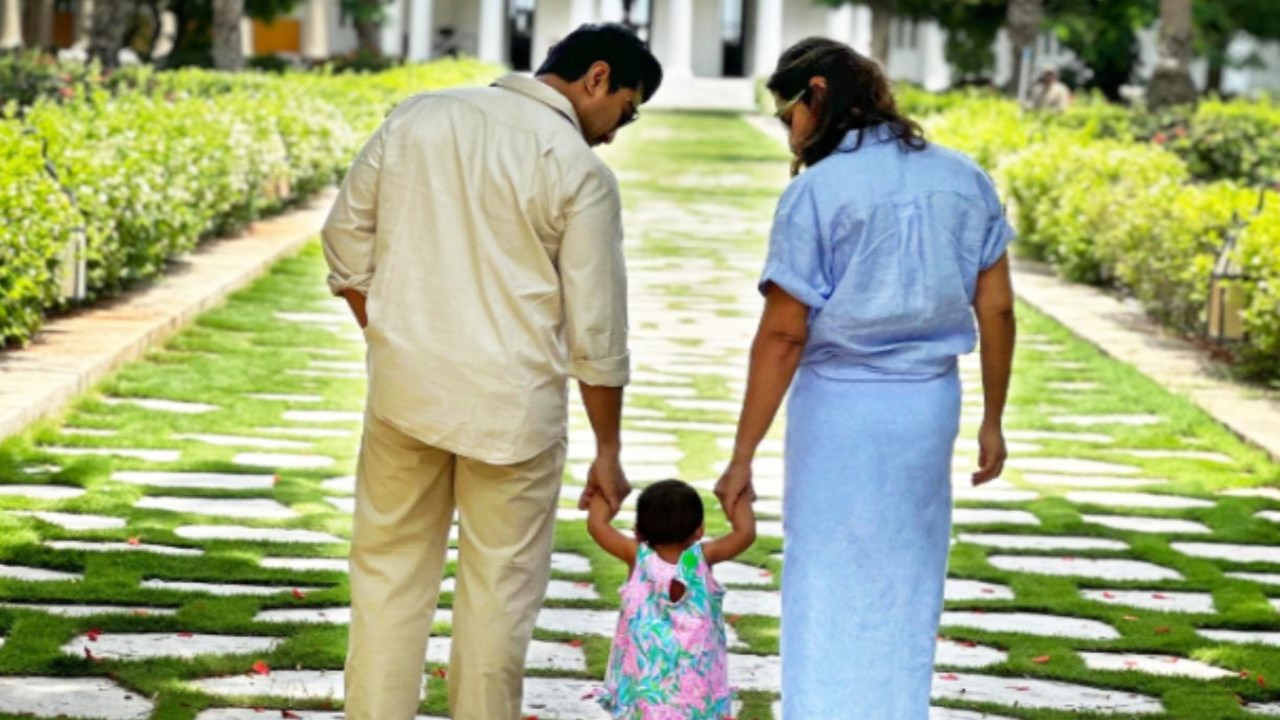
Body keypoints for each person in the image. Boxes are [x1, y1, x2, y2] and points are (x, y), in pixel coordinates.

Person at [320, 24, 663, 720]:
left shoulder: (419, 117)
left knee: (386, 579)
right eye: (625, 110)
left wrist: (393, 337)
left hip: (404, 394)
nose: (615, 132)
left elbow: (344, 246)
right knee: (498, 597)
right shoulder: (577, 170)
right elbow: (597, 332)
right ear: (598, 78)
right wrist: (608, 450)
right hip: (515, 413)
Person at [715, 38, 1016, 718]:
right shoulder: (964, 177)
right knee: (908, 580)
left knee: (826, 579)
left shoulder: (817, 191)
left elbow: (785, 332)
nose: (788, 130)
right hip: (927, 407)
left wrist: (743, 455)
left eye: (787, 113)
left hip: (841, 407)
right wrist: (992, 418)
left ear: (816, 95)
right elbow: (995, 308)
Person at [586, 479, 756, 719]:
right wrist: (739, 497)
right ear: (699, 529)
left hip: (645, 689)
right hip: (697, 692)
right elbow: (746, 532)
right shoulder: (703, 558)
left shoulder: (637, 557)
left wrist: (607, 491)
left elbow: (597, 525)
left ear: (638, 531)